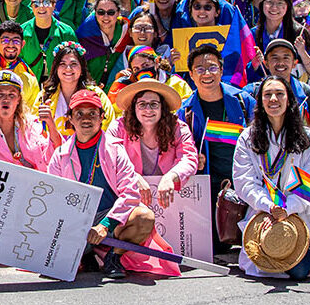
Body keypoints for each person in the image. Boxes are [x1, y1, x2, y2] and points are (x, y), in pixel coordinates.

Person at [45, 88, 172, 276]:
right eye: (79, 114)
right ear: (70, 119)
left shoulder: (116, 150)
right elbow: (53, 197)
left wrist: (105, 225)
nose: (86, 119)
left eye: (92, 113)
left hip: (110, 218)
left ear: (102, 117)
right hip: (74, 221)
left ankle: (114, 257)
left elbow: (130, 193)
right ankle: (85, 256)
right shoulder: (60, 155)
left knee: (144, 218)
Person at [231, 76, 310, 279]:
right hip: (262, 213)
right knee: (263, 264)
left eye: (279, 94)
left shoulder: (308, 137)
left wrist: (287, 209)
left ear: (289, 100)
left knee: (299, 271)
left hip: (296, 213)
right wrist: (269, 207)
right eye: (267, 95)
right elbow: (243, 181)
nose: (273, 99)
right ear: (260, 102)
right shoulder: (248, 138)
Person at [177, 44, 256, 248]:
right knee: (217, 244)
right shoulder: (185, 110)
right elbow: (178, 148)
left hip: (243, 179)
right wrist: (194, 156)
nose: (207, 74)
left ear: (221, 70)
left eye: (212, 68)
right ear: (191, 75)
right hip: (208, 185)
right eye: (200, 69)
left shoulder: (242, 101)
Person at [112, 78, 200, 218]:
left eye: (154, 104)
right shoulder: (119, 127)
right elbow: (110, 158)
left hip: (171, 200)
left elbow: (189, 157)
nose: (148, 110)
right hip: (130, 198)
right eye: (142, 104)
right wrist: (133, 177)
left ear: (162, 108)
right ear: (134, 107)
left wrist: (171, 176)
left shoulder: (178, 127)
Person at [0, 70, 51, 169]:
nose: (6, 99)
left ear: (18, 99)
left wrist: (51, 126)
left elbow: (53, 160)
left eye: (11, 95)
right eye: (0, 95)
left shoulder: (34, 127)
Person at [40, 41, 111, 143]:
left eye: (73, 64)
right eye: (62, 64)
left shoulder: (96, 94)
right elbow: (36, 128)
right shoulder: (45, 95)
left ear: (82, 68)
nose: (68, 69)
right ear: (56, 69)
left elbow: (108, 124)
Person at [21, 0, 77, 76]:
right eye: (36, 3)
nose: (41, 6)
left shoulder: (66, 32)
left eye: (46, 2)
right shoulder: (22, 31)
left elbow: (75, 61)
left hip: (59, 83)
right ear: (31, 6)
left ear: (54, 5)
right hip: (30, 84)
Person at [78, 0, 129, 87]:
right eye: (101, 12)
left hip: (116, 88)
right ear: (95, 13)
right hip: (88, 88)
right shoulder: (85, 34)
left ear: (118, 13)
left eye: (111, 12)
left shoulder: (126, 32)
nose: (106, 17)